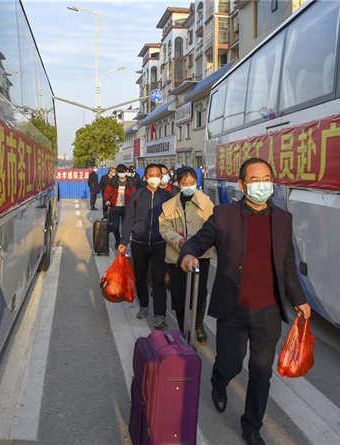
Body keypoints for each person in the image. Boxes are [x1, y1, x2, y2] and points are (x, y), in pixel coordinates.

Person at [179, 158, 311, 445]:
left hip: (268, 311)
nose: (262, 185)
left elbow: (287, 264)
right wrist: (188, 254)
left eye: (266, 178)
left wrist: (299, 299)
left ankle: (252, 427)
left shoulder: (283, 219)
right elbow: (198, 241)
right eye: (255, 180)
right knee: (231, 364)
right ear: (242, 185)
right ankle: (219, 382)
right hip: (233, 308)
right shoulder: (224, 215)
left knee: (262, 373)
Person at [158, 167, 214, 344]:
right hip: (176, 256)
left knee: (200, 293)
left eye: (192, 182)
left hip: (200, 256)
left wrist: (198, 243)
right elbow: (164, 228)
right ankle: (184, 329)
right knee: (179, 294)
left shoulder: (206, 202)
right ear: (178, 183)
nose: (189, 186)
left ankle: (198, 325)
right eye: (185, 183)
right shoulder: (169, 205)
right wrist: (178, 240)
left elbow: (213, 227)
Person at [118, 164, 171, 329]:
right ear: (146, 177)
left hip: (160, 243)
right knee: (140, 277)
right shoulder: (137, 194)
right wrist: (124, 241)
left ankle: (160, 315)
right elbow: (128, 218)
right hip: (139, 242)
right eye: (151, 175)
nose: (155, 178)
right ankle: (144, 306)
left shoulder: (167, 196)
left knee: (159, 280)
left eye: (158, 175)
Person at [104, 164, 135, 249]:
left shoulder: (131, 182)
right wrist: (107, 200)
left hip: (126, 208)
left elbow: (134, 194)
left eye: (123, 172)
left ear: (126, 172)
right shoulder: (113, 181)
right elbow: (107, 192)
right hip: (115, 207)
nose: (121, 174)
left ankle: (123, 242)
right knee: (115, 227)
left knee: (126, 227)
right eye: (119, 172)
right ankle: (118, 240)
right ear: (117, 172)